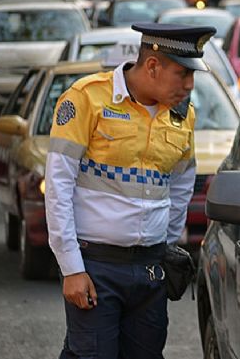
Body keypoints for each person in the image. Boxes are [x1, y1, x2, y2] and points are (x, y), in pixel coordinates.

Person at [44, 23, 216, 358]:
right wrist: (72, 268)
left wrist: (166, 246)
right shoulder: (87, 98)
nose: (190, 85)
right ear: (152, 65)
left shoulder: (184, 117)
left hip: (150, 270)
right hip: (97, 265)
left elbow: (181, 185)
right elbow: (58, 186)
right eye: (182, 73)